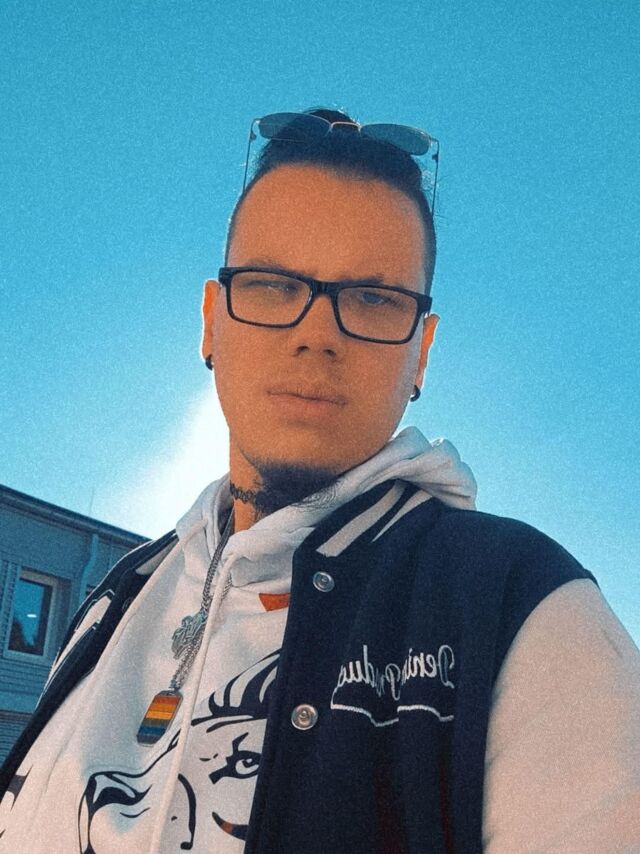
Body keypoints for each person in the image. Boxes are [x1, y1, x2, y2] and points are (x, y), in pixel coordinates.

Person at [1, 108, 639, 854]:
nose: (317, 333)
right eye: (273, 285)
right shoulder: (116, 599)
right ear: (211, 322)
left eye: (373, 299)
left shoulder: (522, 609)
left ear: (421, 353)